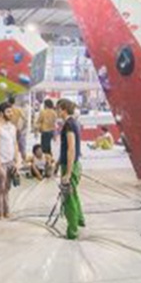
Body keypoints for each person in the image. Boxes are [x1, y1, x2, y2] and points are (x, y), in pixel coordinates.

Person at [57, 99, 85, 240]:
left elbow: (71, 148)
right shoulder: (74, 123)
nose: (57, 112)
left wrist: (67, 172)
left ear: (63, 109)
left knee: (68, 198)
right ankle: (79, 219)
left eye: (58, 109)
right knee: (74, 194)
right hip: (72, 164)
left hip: (70, 165)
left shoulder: (69, 125)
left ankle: (72, 230)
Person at [0, 102, 21, 220]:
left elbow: (15, 144)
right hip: (1, 162)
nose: (11, 113)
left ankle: (6, 210)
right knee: (0, 187)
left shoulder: (12, 128)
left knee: (7, 187)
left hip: (10, 162)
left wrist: (16, 161)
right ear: (1, 113)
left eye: (11, 111)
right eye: (8, 111)